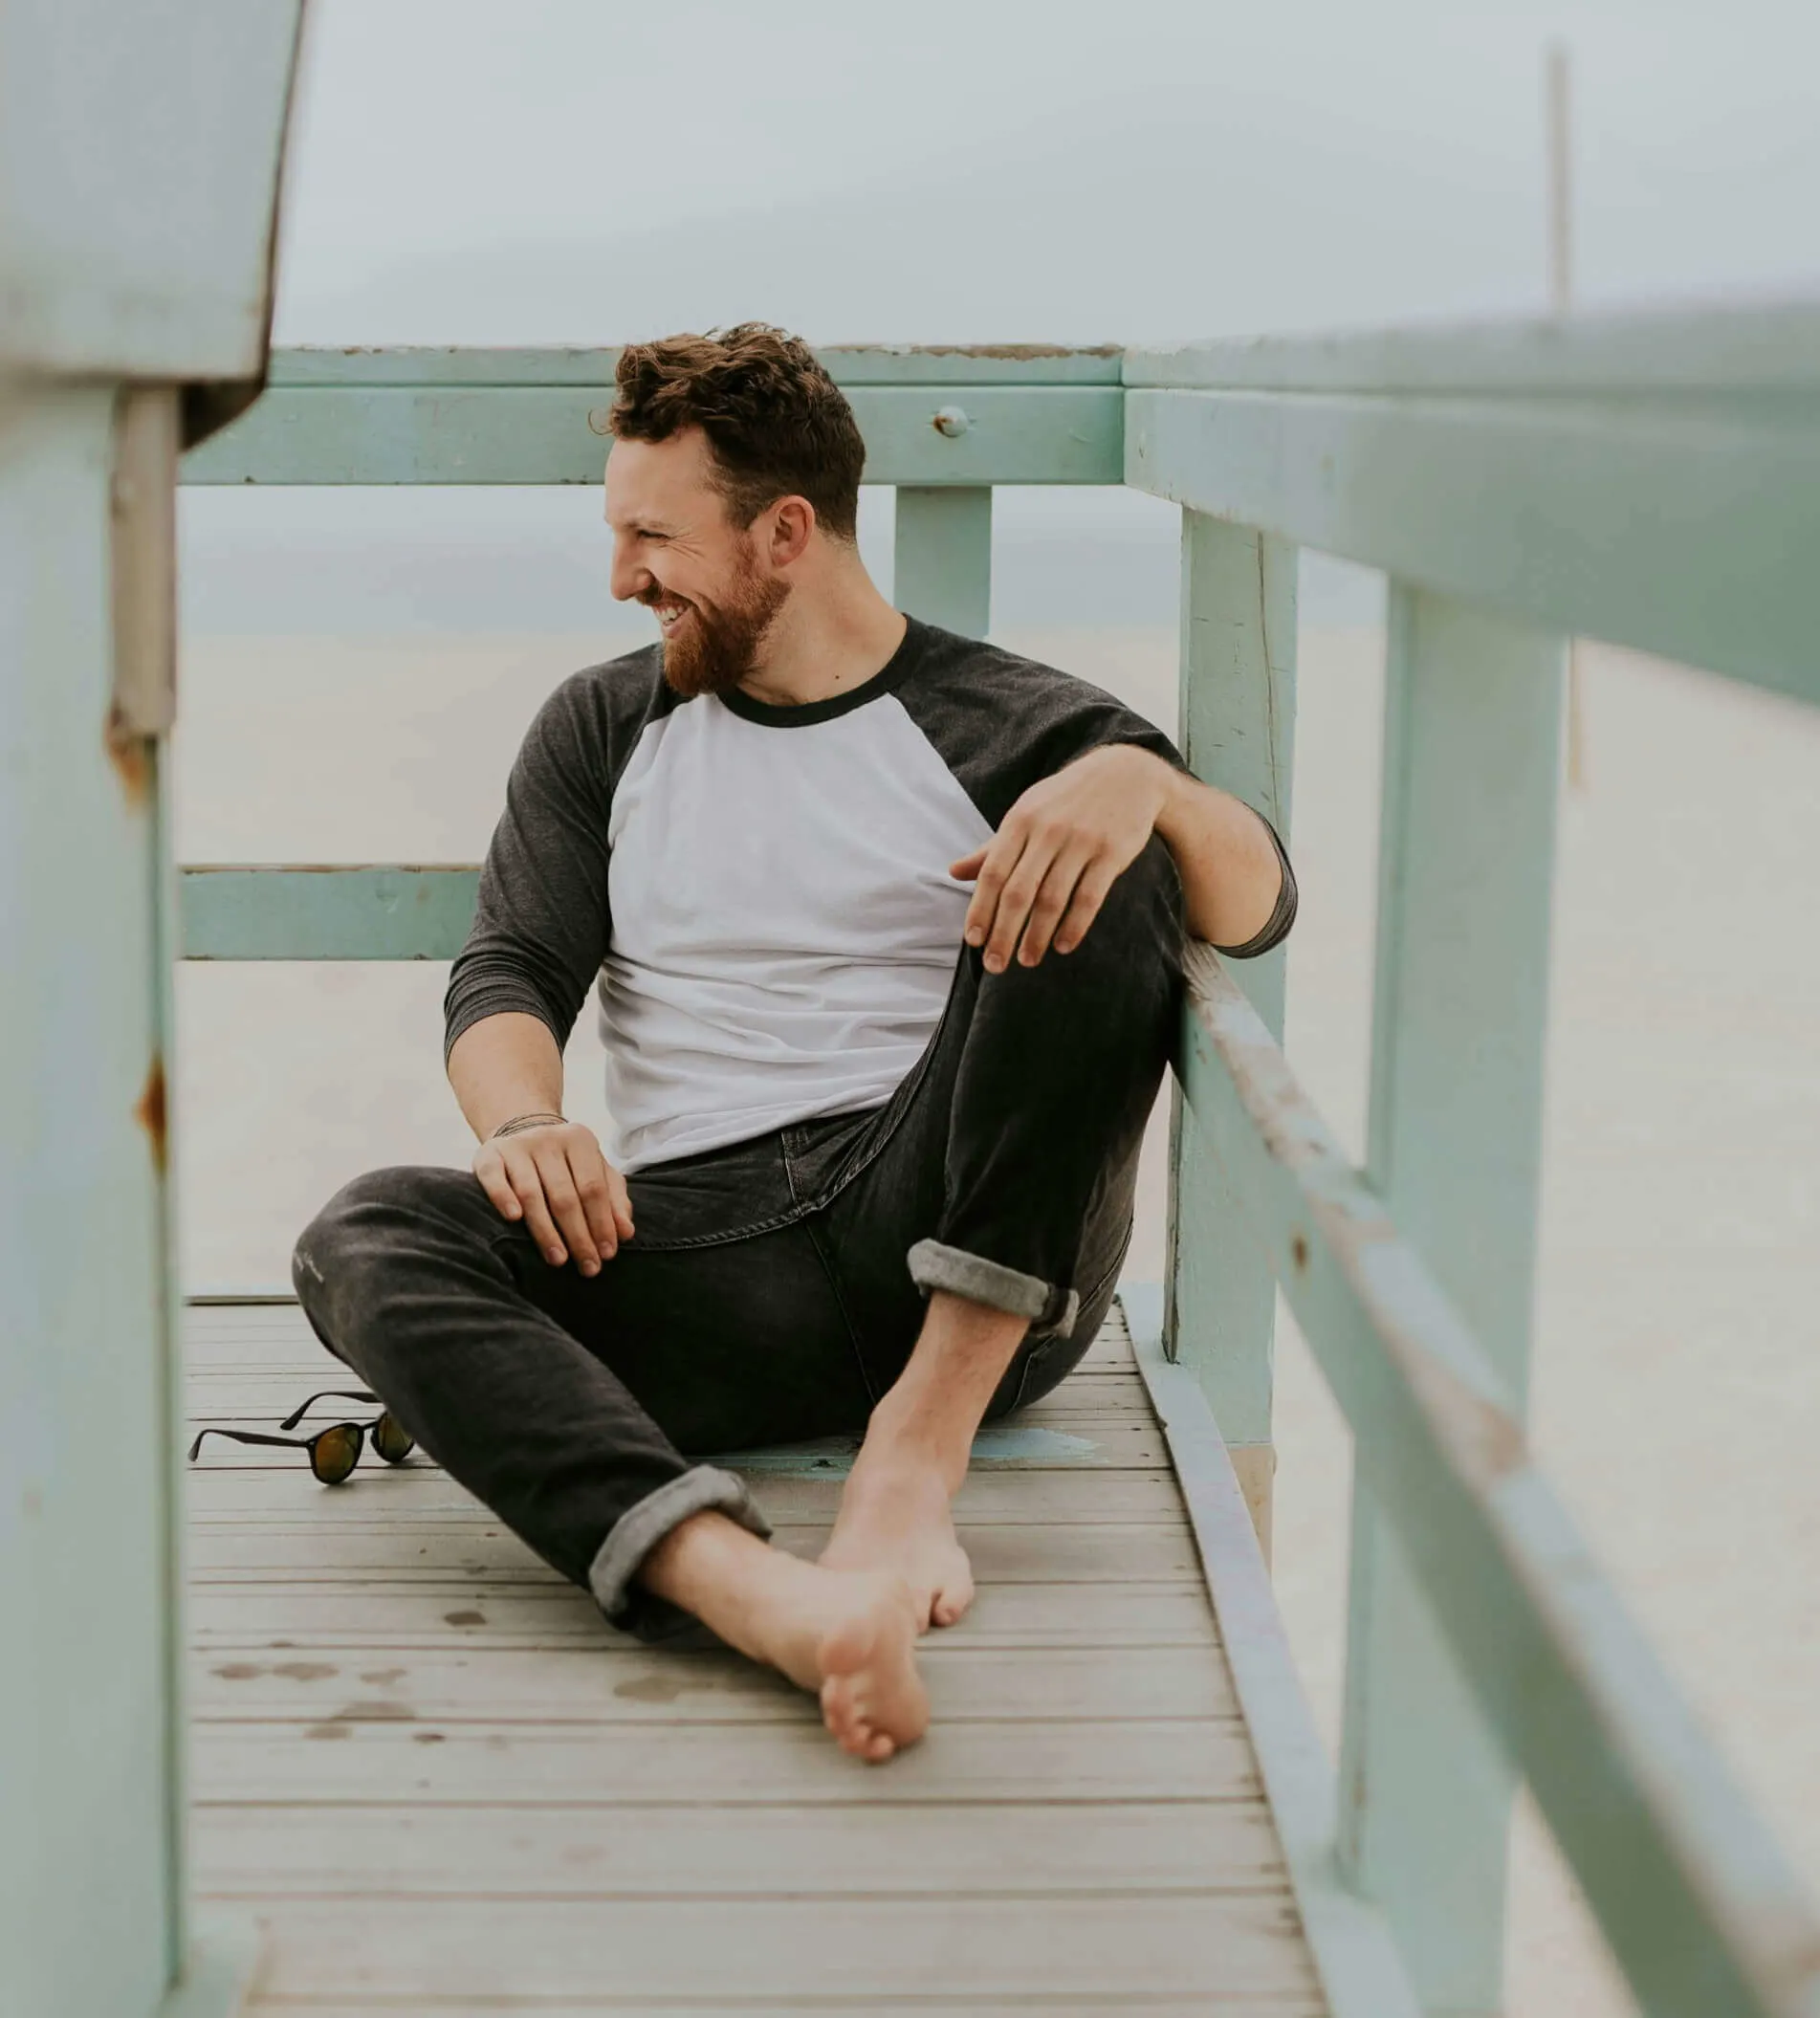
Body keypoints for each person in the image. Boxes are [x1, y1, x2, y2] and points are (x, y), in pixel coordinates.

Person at [291, 324, 1295, 1764]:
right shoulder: (600, 728)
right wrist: (524, 1126)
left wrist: (1139, 780)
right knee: (365, 1232)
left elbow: (1253, 907)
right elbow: (509, 968)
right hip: (704, 1252)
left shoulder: (1013, 721)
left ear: (783, 532)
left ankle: (912, 1456)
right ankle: (757, 1594)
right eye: (614, 531)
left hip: (958, 1226)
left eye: (652, 534)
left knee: (1110, 850)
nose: (622, 574)